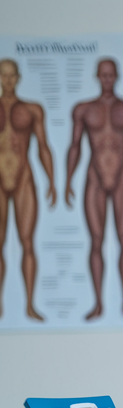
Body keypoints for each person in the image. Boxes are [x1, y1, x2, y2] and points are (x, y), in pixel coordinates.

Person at [66, 58, 123, 322]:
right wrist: (68, 179)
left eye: (111, 75)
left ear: (116, 77)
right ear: (97, 76)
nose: (107, 79)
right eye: (103, 75)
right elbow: (75, 146)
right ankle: (98, 304)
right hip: (94, 177)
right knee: (96, 242)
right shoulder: (83, 109)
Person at [0, 58, 55, 322]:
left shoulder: (33, 110)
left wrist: (53, 181)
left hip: (24, 179)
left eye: (12, 76)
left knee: (27, 243)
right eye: (3, 76)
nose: (7, 81)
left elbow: (44, 146)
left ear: (18, 78)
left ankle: (30, 305)